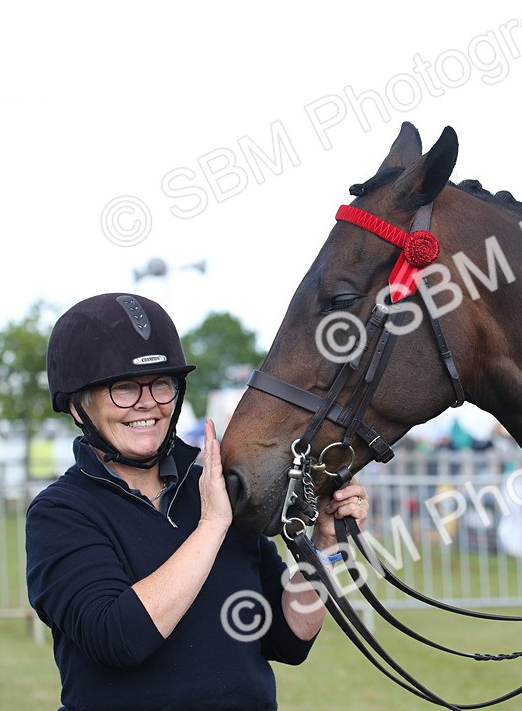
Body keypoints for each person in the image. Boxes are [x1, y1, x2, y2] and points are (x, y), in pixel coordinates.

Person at [26, 292, 368, 711]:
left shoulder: (214, 481)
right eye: (124, 388)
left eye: (161, 384)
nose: (147, 402)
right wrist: (210, 527)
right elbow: (118, 639)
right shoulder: (60, 513)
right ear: (79, 406)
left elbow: (288, 634)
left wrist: (327, 546)